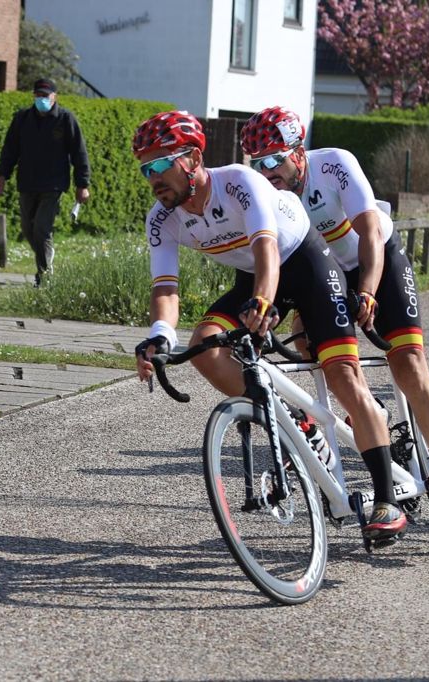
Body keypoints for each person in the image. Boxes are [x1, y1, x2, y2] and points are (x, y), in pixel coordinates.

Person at [131, 111, 407, 542]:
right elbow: (165, 287)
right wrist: (159, 336)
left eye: (161, 165)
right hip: (255, 277)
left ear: (194, 159)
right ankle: (297, 421)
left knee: (342, 377)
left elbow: (267, 249)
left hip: (306, 265)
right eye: (145, 169)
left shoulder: (239, 182)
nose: (153, 178)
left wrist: (263, 301)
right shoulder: (161, 219)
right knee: (205, 346)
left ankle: (388, 500)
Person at [239, 106, 429, 523]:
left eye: (275, 159)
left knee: (408, 365)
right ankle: (372, 414)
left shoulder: (334, 165)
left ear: (299, 152)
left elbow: (370, 233)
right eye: (259, 163)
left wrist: (366, 290)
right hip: (324, 275)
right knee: (315, 352)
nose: (267, 171)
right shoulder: (264, 193)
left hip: (377, 260)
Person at [0, 77, 91, 287]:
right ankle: (47, 254)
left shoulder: (65, 119)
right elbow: (10, 150)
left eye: (45, 96)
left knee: (41, 228)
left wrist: (82, 184)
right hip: (27, 182)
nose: (41, 99)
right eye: (38, 95)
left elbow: (79, 152)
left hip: (53, 184)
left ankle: (44, 276)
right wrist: (2, 176)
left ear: (55, 97)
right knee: (27, 228)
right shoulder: (22, 119)